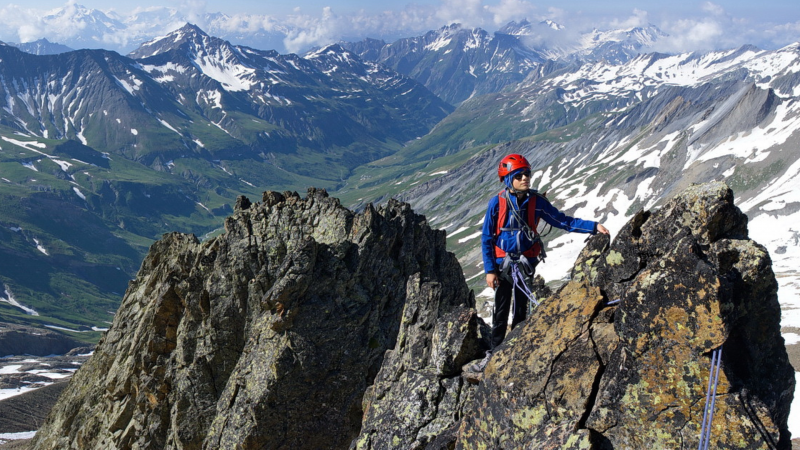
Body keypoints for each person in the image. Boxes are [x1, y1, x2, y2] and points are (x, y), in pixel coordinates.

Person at [471, 153, 609, 372]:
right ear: (508, 179)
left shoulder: (536, 202)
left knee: (520, 310)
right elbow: (487, 238)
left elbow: (562, 220)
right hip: (502, 265)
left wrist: (592, 226)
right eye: (519, 175)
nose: (525, 178)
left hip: (525, 263)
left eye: (527, 174)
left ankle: (515, 352)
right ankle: (494, 354)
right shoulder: (496, 204)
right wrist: (490, 270)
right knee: (501, 311)